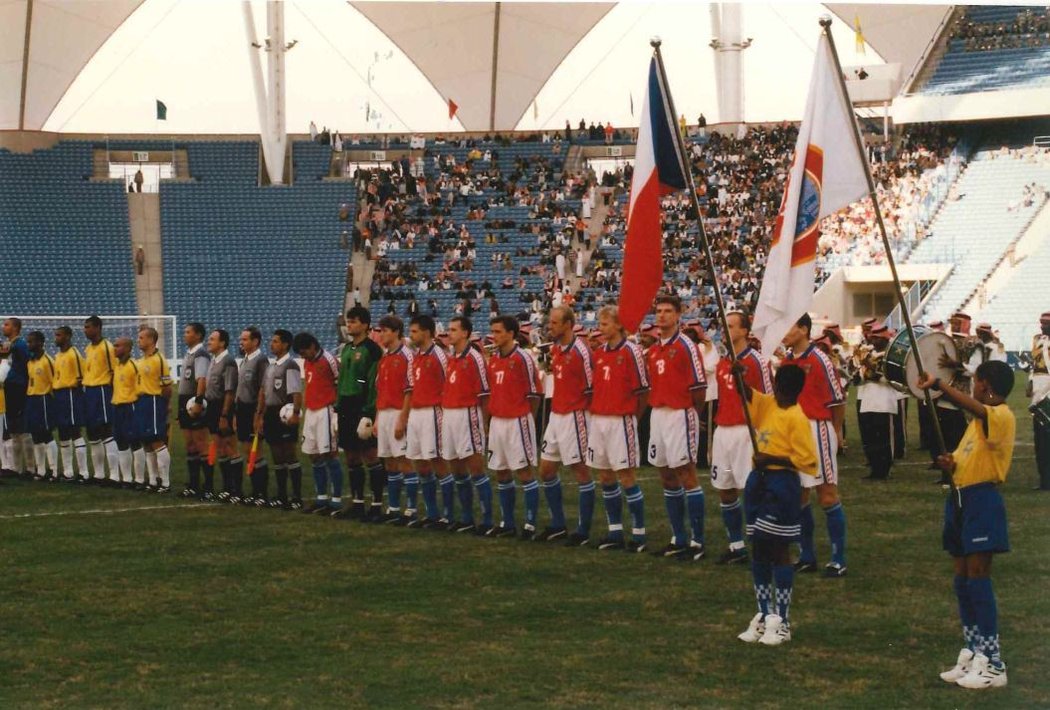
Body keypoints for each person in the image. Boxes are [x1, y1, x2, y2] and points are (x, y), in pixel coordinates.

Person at [918, 361, 1016, 689]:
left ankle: (993, 662)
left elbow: (973, 406)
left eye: (975, 383)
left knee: (978, 578)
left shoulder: (1000, 415)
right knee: (962, 580)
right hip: (960, 499)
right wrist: (950, 463)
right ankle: (973, 651)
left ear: (985, 385)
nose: (973, 388)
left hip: (982, 502)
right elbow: (963, 460)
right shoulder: (976, 424)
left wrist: (939, 386)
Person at [734, 363, 816, 647]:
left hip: (782, 484)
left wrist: (772, 460)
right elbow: (749, 396)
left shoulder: (797, 417)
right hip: (759, 480)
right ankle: (763, 613)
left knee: (778, 546)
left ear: (781, 385)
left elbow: (807, 460)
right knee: (758, 544)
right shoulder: (769, 404)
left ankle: (782, 620)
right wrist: (738, 376)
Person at [781, 313, 848, 578]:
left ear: (803, 329)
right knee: (798, 495)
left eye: (789, 326)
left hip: (816, 428)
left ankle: (838, 558)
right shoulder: (787, 361)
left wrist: (835, 431)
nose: (784, 332)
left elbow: (837, 400)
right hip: (793, 431)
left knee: (827, 494)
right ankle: (807, 555)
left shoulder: (819, 358)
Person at [645, 294, 708, 560]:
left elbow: (699, 387)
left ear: (678, 315)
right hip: (658, 414)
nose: (662, 315)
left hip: (680, 413)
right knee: (666, 474)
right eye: (658, 311)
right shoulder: (655, 348)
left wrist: (693, 413)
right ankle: (678, 537)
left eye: (668, 311)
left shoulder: (685, 346)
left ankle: (697, 541)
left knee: (686, 473)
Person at [711, 311, 772, 565]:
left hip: (747, 432)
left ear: (746, 331)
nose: (726, 330)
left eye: (732, 326)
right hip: (723, 431)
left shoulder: (757, 361)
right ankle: (736, 546)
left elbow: (769, 401)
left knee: (752, 490)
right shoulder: (723, 361)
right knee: (725, 489)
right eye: (724, 326)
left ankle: (760, 543)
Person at [587, 306, 649, 552]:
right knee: (604, 475)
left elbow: (642, 390)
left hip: (621, 420)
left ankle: (639, 533)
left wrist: (632, 417)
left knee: (626, 476)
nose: (600, 329)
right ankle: (615, 531)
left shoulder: (631, 351)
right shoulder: (599, 353)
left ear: (618, 325)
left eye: (604, 324)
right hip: (599, 419)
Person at [538, 306, 593, 543]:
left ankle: (583, 530)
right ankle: (558, 523)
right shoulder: (556, 349)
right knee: (546, 470)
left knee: (580, 470)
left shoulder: (581, 351)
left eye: (555, 323)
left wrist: (584, 413)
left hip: (575, 416)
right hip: (556, 415)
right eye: (550, 322)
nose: (550, 326)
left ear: (568, 324)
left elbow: (591, 387)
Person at [485, 316, 542, 538]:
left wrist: (529, 418)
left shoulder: (522, 358)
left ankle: (529, 524)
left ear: (511, 333)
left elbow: (534, 392)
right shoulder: (494, 359)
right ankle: (507, 522)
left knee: (524, 471)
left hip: (518, 420)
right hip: (498, 420)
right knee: (501, 471)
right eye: (493, 332)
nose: (494, 336)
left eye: (498, 332)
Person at [440, 316, 491, 534]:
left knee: (475, 465)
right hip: (450, 414)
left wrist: (486, 422)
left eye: (453, 329)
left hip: (468, 414)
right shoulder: (451, 357)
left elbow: (485, 392)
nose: (449, 333)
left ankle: (487, 519)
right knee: (455, 466)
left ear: (465, 333)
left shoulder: (474, 357)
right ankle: (467, 517)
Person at [335, 306, 385, 521]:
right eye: (348, 321)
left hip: (362, 406)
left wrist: (368, 411)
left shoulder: (372, 350)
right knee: (351, 456)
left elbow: (371, 381)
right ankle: (356, 503)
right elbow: (342, 378)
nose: (350, 325)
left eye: (354, 321)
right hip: (345, 406)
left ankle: (376, 504)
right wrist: (337, 406)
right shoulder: (345, 348)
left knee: (370, 455)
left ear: (365, 324)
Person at [404, 314, 451, 528]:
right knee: (420, 464)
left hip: (433, 412)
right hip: (416, 413)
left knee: (437, 462)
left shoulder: (438, 356)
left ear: (425, 332)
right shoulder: (416, 356)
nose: (411, 335)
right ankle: (432, 513)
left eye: (414, 331)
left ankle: (448, 515)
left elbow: (447, 386)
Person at [292, 332, 343, 515]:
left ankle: (336, 501)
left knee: (329, 453)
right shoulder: (308, 361)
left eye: (303, 351)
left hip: (326, 410)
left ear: (313, 346)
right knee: (313, 455)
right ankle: (321, 498)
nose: (302, 355)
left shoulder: (329, 360)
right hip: (311, 411)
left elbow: (340, 383)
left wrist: (337, 413)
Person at [255, 329, 304, 510]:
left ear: (285, 344)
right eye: (272, 341)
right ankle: (282, 496)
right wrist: (260, 415)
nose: (271, 344)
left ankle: (296, 497)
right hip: (271, 414)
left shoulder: (290, 365)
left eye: (275, 341)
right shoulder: (271, 366)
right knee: (276, 455)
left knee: (289, 454)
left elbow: (296, 392)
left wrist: (296, 413)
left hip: (285, 412)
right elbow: (263, 392)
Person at [375, 316, 414, 524]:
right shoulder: (384, 357)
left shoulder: (407, 356)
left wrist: (403, 419)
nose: (381, 335)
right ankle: (394, 508)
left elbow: (410, 391)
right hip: (384, 413)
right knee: (390, 461)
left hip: (399, 412)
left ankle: (412, 509)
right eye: (380, 331)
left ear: (396, 332)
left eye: (385, 331)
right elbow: (380, 390)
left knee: (404, 460)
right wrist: (376, 419)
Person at [82, 315, 120, 484]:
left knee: (106, 430)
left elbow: (114, 372)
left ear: (98, 328)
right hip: (89, 391)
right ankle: (98, 474)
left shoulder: (107, 347)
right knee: (92, 432)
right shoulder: (88, 349)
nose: (86, 330)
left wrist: (111, 394)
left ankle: (114, 474)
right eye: (85, 327)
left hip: (102, 391)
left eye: (89, 327)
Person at [857, 324, 897, 481]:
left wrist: (869, 370)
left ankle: (884, 470)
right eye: (872, 337)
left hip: (884, 402)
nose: (872, 340)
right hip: (867, 401)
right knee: (870, 439)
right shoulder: (868, 353)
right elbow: (859, 377)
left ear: (884, 338)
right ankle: (874, 469)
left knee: (884, 440)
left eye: (876, 338)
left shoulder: (891, 354)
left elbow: (889, 376)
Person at [134, 326, 173, 492]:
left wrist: (165, 405)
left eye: (142, 337)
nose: (138, 340)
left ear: (151, 340)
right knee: (146, 442)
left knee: (156, 439)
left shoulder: (159, 360)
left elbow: (167, 387)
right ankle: (152, 480)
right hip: (141, 402)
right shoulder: (140, 361)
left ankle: (165, 482)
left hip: (154, 401)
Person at [235, 327, 269, 504]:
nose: (241, 342)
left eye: (245, 339)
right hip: (242, 409)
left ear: (255, 342)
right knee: (247, 451)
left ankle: (260, 493)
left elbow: (264, 388)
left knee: (256, 451)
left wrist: (259, 414)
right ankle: (254, 491)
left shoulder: (261, 360)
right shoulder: (244, 360)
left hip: (252, 410)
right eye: (241, 339)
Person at [203, 329, 239, 503]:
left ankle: (235, 489)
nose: (208, 342)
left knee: (229, 447)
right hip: (212, 407)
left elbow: (230, 391)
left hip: (222, 407)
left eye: (212, 339)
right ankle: (227, 487)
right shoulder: (213, 360)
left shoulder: (228, 361)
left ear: (222, 343)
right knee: (220, 447)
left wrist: (225, 415)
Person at [51, 326, 89, 482]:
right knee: (63, 432)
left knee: (74, 431)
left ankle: (84, 473)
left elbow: (81, 379)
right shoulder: (58, 355)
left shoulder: (74, 354)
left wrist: (77, 397)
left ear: (67, 336)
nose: (56, 338)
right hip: (59, 395)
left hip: (71, 394)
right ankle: (68, 472)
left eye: (59, 335)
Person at [178, 323, 211, 498]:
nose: (185, 334)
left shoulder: (201, 355)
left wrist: (199, 401)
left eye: (188, 332)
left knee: (201, 444)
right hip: (185, 401)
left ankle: (208, 486)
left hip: (194, 401)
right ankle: (193, 484)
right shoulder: (189, 354)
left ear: (198, 335)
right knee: (190, 444)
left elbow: (202, 380)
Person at [110, 337, 143, 488]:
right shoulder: (117, 366)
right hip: (117, 407)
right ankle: (127, 479)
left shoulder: (133, 366)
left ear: (128, 349)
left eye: (118, 346)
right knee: (121, 442)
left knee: (135, 442)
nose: (114, 348)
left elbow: (140, 388)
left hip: (131, 407)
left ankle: (140, 479)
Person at [24, 331, 58, 480]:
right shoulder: (30, 362)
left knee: (46, 434)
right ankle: (41, 470)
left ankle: (54, 470)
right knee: (35, 436)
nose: (28, 344)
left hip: (43, 399)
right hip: (31, 399)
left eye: (31, 342)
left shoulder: (47, 360)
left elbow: (54, 382)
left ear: (39, 343)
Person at [1, 318, 31, 477]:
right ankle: (14, 466)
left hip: (18, 388)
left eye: (6, 324)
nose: (3, 327)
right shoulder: (9, 345)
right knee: (11, 427)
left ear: (15, 328)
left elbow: (27, 365)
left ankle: (25, 467)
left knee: (17, 427)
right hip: (10, 388)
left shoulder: (19, 345)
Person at [1028, 311, 1050, 491]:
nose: (1042, 326)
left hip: (1047, 397)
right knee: (1041, 442)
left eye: (1046, 323)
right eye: (1041, 323)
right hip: (1038, 397)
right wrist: (1030, 382)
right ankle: (1044, 480)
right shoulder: (1038, 340)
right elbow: (1036, 365)